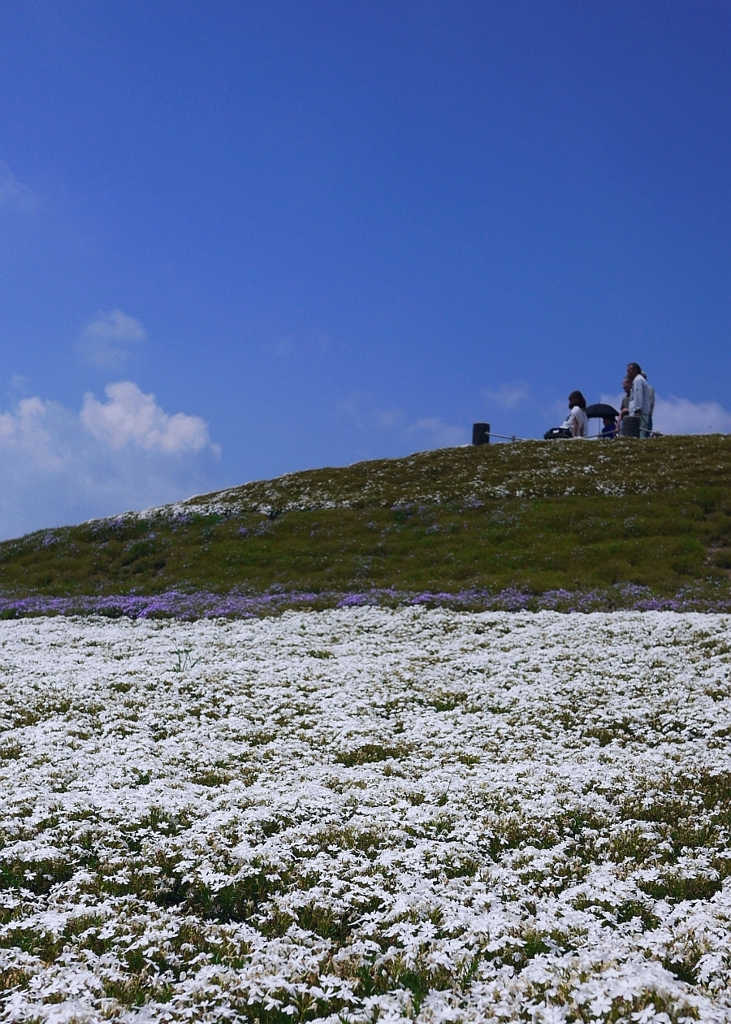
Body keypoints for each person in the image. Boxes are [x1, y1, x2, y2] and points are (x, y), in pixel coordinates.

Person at [624, 362, 651, 437]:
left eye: (629, 370)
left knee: (640, 433)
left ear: (635, 371)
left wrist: (637, 410)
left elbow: (638, 396)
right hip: (640, 412)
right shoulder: (638, 380)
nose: (627, 373)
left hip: (639, 413)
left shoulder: (638, 380)